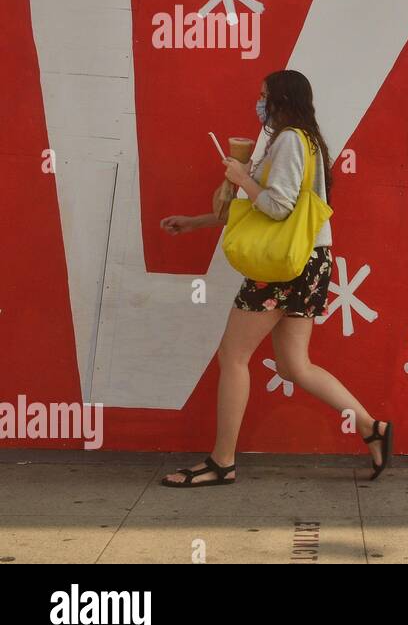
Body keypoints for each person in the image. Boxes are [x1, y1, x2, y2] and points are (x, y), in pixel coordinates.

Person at [158, 70, 392, 487]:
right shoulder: (309, 143)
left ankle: (221, 462)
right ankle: (371, 427)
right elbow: (269, 215)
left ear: (281, 99)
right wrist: (196, 222)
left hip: (284, 268)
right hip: (310, 261)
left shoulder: (287, 141)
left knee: (233, 356)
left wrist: (241, 178)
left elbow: (277, 208)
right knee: (294, 365)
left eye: (264, 96)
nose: (259, 103)